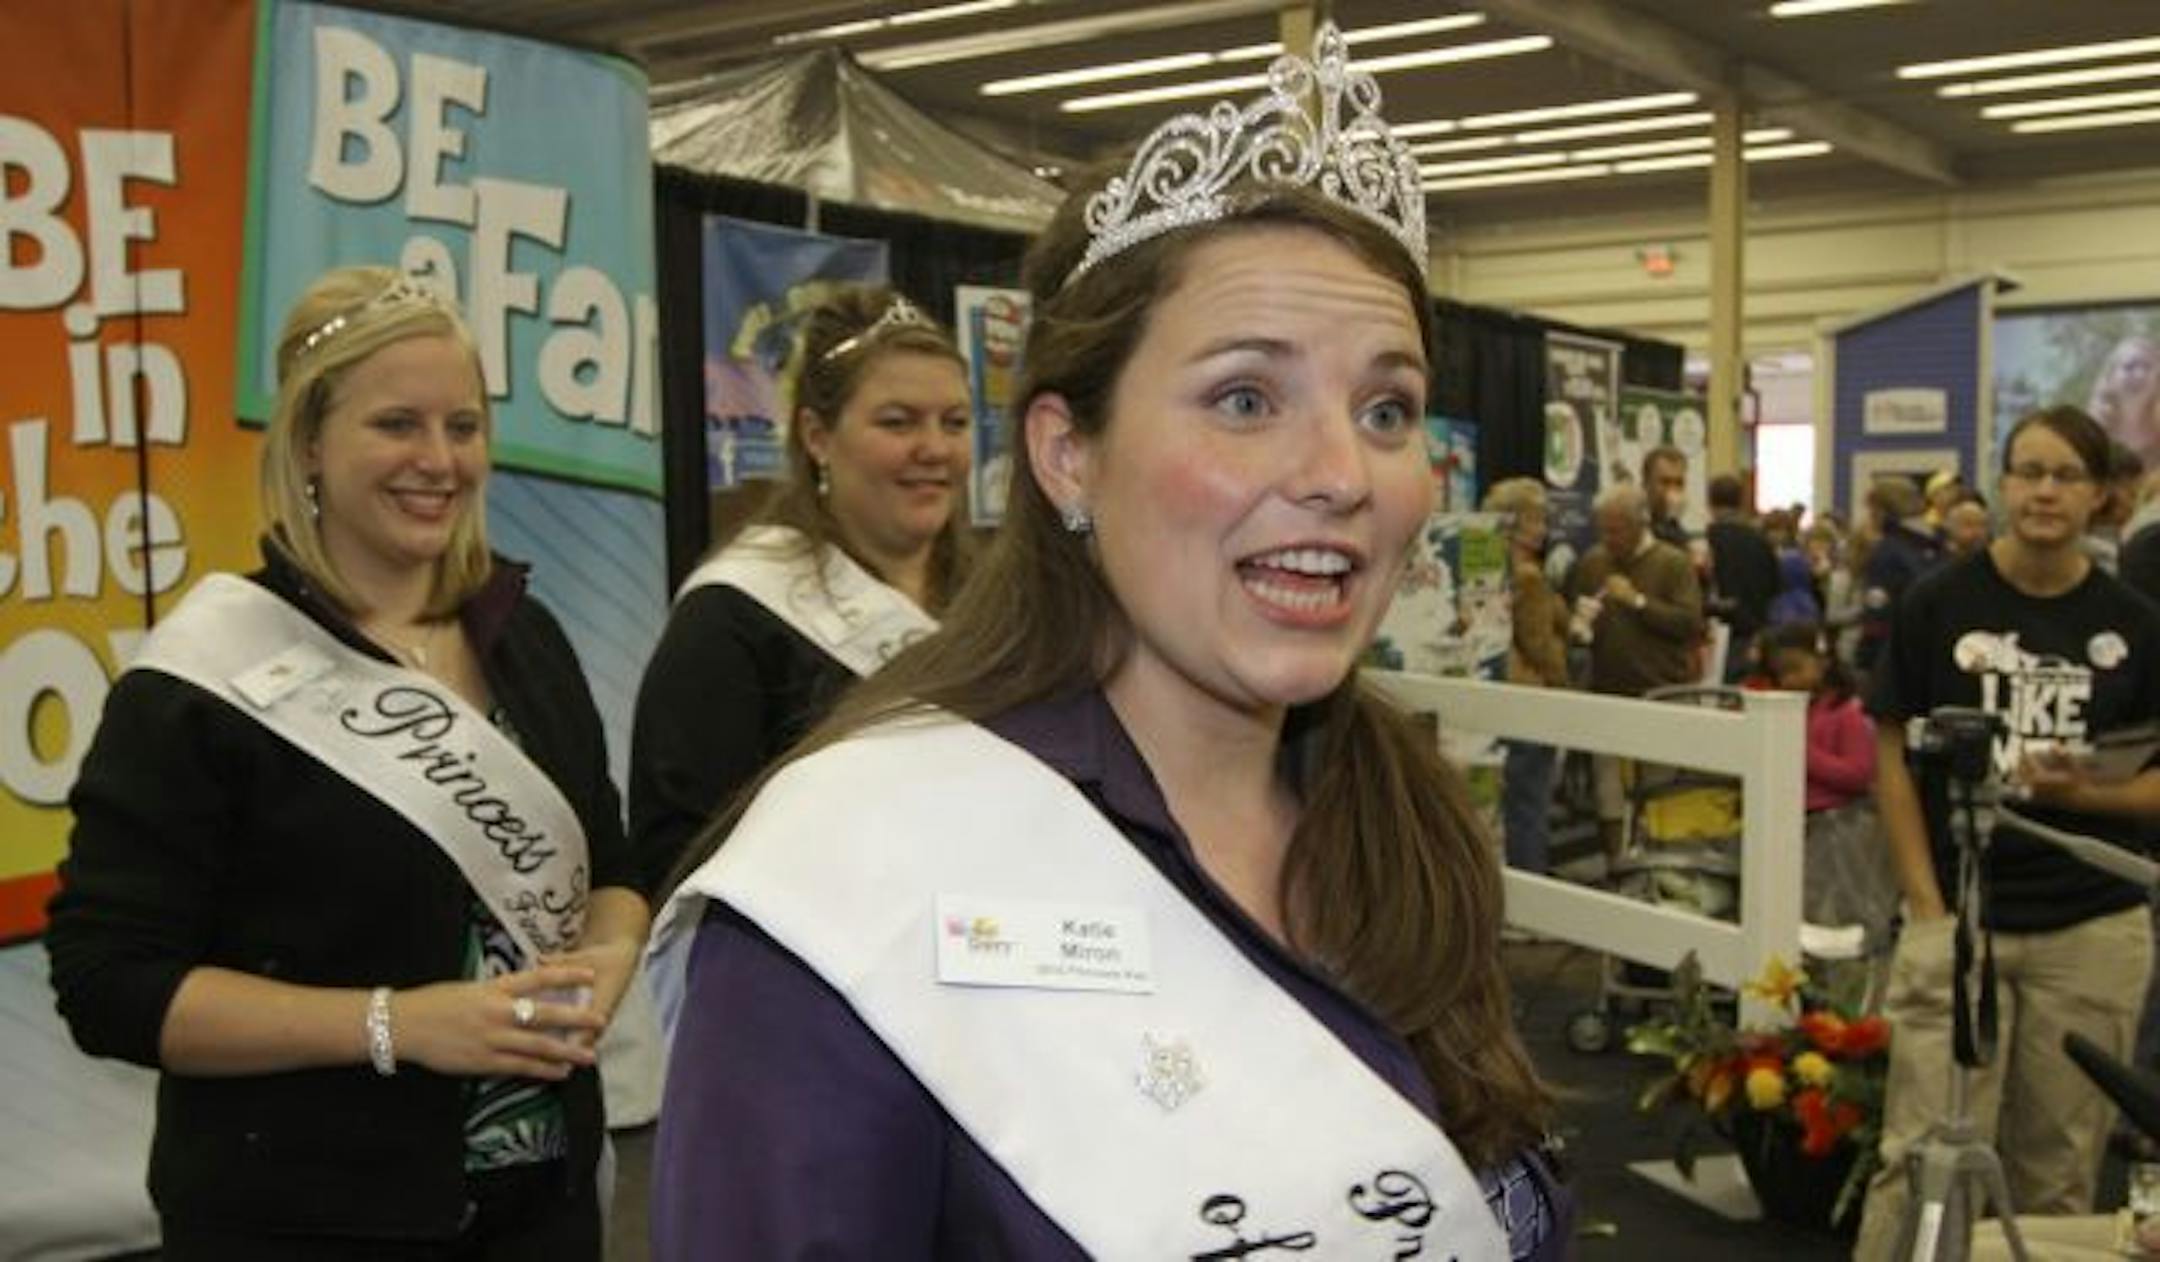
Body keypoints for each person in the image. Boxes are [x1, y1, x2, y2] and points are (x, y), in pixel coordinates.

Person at [649, 26, 1566, 1260]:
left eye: (1386, 407)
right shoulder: (851, 886)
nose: (1344, 473)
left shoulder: (1403, 821)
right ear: (1066, 454)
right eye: (1246, 398)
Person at [44, 266, 647, 1260]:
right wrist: (395, 1023)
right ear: (310, 442)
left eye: (464, 424)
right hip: (301, 1214)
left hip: (545, 1205)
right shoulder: (203, 680)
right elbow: (109, 983)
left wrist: (608, 960)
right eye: (398, 424)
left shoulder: (524, 639)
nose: (440, 459)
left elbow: (613, 865)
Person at [1853, 405, 2160, 1260]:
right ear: (2002, 482)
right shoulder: (1937, 603)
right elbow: (1891, 757)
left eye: (2066, 475)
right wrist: (1924, 904)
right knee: (1919, 1163)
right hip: (1961, 921)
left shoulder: (2135, 625)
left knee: (2057, 1171)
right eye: (2027, 471)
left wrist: (2080, 794)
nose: (2044, 491)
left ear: (2100, 494)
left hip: (2091, 925)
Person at [628, 286, 971, 896]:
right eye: (898, 422)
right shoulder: (736, 614)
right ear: (816, 435)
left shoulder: (997, 602)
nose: (935, 448)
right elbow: (680, 859)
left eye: (955, 422)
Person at [1569, 482, 1707, 852]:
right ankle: (1617, 869)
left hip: (1661, 692)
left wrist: (1638, 602)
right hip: (1608, 691)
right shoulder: (1593, 563)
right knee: (1607, 789)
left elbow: (1689, 623)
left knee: (1659, 788)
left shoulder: (1672, 563)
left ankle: (1658, 867)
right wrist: (1578, 626)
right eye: (1603, 529)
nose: (1608, 538)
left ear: (1639, 524)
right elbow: (1576, 614)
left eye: (1616, 530)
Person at [1759, 623, 1892, 949]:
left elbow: (1858, 773)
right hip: (1797, 823)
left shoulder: (1846, 713)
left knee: (1833, 913)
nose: (1789, 681)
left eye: (1795, 669)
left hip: (1836, 829)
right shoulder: (1794, 711)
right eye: (1781, 674)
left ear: (1822, 662)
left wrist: (1803, 752)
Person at [1485, 477, 1571, 874]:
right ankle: (1532, 902)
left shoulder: (1488, 566)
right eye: (1537, 520)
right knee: (1530, 804)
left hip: (1496, 695)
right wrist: (1565, 682)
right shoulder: (1529, 576)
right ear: (1517, 522)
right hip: (1531, 696)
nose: (1543, 529)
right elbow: (1539, 645)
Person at [1854, 475, 1943, 677]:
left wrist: (1867, 657)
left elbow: (1878, 610)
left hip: (1894, 654)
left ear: (1880, 510)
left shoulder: (1887, 552)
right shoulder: (1938, 545)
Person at [1704, 473, 1779, 681]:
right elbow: (1775, 586)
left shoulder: (1707, 540)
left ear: (1709, 502)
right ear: (1742, 501)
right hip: (1756, 633)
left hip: (1718, 634)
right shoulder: (1760, 541)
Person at [2089, 333, 2160, 467]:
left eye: (2147, 367)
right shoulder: (2093, 437)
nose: (2139, 374)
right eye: (2129, 366)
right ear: (2110, 378)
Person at [1642, 443, 1691, 549]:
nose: (1673, 490)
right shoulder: (1635, 528)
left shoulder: (1674, 526)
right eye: (1665, 482)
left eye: (1679, 483)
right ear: (1646, 483)